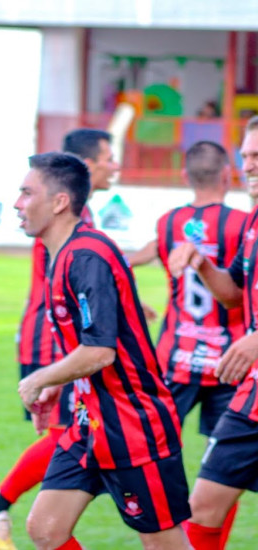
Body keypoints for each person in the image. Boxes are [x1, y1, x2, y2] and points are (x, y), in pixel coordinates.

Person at [15, 152, 191, 550]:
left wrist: (39, 378)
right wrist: (58, 384)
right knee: (46, 529)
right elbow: (88, 344)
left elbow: (100, 352)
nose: (17, 203)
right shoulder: (64, 255)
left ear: (59, 202)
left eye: (26, 193)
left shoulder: (87, 256)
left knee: (164, 544)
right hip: (89, 422)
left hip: (132, 424)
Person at [0, 128, 119, 550]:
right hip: (53, 342)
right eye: (108, 158)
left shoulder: (80, 223)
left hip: (59, 339)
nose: (114, 166)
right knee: (71, 434)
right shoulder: (64, 222)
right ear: (84, 167)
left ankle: (0, 507)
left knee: (76, 434)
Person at [168, 115, 258, 549]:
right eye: (245, 156)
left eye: (257, 156)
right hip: (251, 397)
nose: (248, 165)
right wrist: (202, 263)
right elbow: (234, 295)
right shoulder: (253, 222)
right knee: (203, 507)